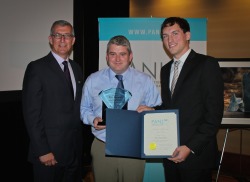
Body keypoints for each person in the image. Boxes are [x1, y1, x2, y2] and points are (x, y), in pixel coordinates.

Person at [80, 35, 162, 182]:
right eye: (113, 54)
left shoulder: (145, 80)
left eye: (122, 54)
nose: (117, 59)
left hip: (133, 145)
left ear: (130, 56)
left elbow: (157, 108)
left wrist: (152, 112)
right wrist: (93, 119)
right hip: (102, 144)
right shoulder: (93, 80)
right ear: (106, 56)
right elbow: (84, 109)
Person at [153, 17, 224, 182]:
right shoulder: (165, 70)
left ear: (188, 35)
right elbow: (171, 108)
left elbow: (214, 115)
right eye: (165, 36)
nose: (169, 40)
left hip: (196, 156)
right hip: (170, 153)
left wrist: (190, 147)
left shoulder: (207, 64)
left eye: (175, 33)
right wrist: (153, 111)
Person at [22, 20, 84, 182]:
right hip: (49, 155)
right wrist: (42, 151)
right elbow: (31, 114)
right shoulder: (36, 68)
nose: (63, 40)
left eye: (67, 35)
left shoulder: (76, 68)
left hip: (74, 153)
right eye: (58, 35)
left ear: (73, 40)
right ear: (50, 39)